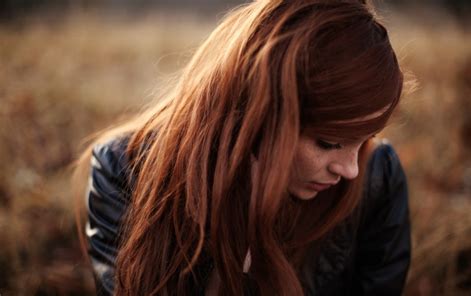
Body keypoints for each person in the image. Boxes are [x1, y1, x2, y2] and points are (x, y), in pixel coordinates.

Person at [75, 0, 411, 295]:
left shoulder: (376, 179)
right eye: (329, 142)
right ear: (258, 113)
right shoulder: (123, 171)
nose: (349, 169)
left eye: (363, 138)